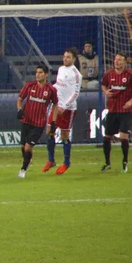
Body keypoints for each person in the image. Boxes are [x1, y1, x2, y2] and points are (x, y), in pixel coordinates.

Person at [100, 53, 132, 173]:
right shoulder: (108, 74)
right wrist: (106, 92)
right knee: (107, 136)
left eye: (120, 60)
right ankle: (107, 163)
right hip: (112, 110)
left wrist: (131, 101)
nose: (117, 62)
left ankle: (125, 162)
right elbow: (103, 84)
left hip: (126, 110)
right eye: (116, 60)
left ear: (125, 62)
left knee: (123, 136)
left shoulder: (131, 74)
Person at [43, 47, 82, 175]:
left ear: (74, 59)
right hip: (56, 106)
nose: (65, 59)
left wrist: (65, 106)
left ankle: (66, 162)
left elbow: (75, 93)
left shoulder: (76, 74)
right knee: (49, 131)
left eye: (68, 57)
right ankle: (51, 160)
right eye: (64, 56)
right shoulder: (60, 69)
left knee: (64, 136)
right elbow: (59, 86)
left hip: (68, 109)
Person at [16, 64, 58, 178]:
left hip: (39, 123)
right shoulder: (29, 86)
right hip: (26, 120)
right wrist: (19, 110)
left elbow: (55, 104)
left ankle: (23, 170)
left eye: (40, 72)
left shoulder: (50, 90)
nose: (38, 75)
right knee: (23, 147)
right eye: (36, 72)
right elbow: (20, 99)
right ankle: (28, 160)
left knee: (28, 147)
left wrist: (53, 121)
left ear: (46, 74)